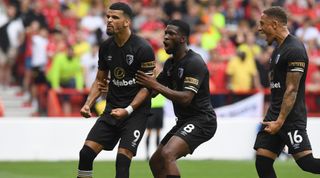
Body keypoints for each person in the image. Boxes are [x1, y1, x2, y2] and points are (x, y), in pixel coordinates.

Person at [77, 2, 155, 178]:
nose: (109, 20)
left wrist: (128, 110)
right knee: (86, 154)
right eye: (108, 17)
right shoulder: (106, 47)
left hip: (135, 113)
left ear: (127, 22)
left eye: (115, 17)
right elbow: (100, 80)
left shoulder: (143, 48)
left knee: (122, 161)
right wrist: (88, 104)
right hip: (112, 110)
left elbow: (147, 87)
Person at [136, 20, 217, 178]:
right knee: (155, 162)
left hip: (202, 120)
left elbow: (186, 98)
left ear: (182, 39)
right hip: (184, 121)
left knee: (168, 154)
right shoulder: (170, 64)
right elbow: (152, 90)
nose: (165, 37)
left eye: (171, 34)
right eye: (165, 33)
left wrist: (155, 85)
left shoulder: (194, 62)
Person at [254, 6, 320, 178]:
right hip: (275, 115)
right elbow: (277, 87)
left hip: (289, 117)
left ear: (274, 24)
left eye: (262, 24)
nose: (259, 28)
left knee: (307, 163)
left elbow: (292, 90)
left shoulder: (295, 49)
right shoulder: (277, 50)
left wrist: (280, 121)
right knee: (262, 161)